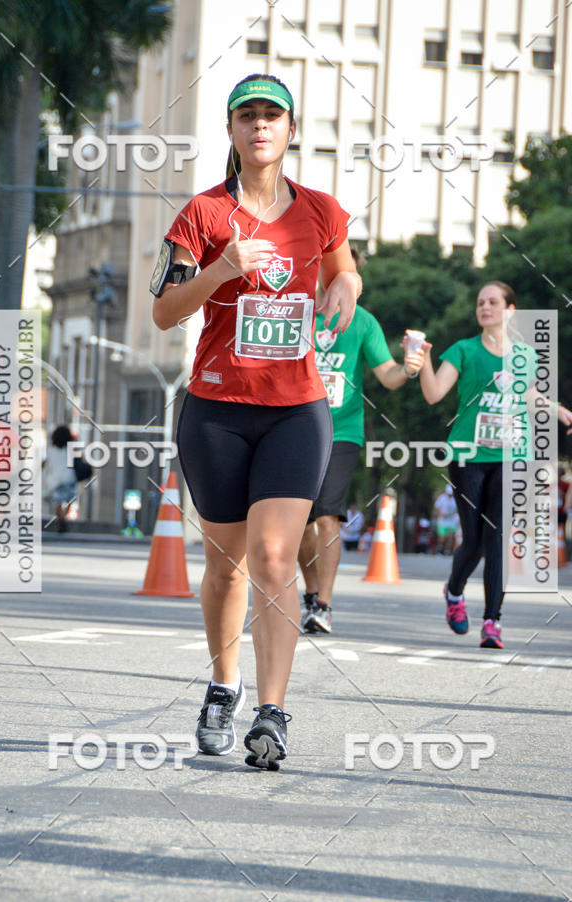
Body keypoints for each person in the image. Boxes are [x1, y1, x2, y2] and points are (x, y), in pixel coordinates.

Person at [150, 74, 359, 770]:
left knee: (275, 556)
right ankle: (222, 684)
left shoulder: (322, 210)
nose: (261, 126)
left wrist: (345, 285)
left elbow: (344, 270)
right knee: (225, 565)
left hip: (297, 407)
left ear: (290, 129)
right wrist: (221, 270)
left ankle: (272, 714)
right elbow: (164, 310)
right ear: (233, 131)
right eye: (248, 116)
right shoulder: (203, 214)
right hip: (215, 409)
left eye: (273, 115)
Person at [419, 281, 572, 648]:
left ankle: (492, 622)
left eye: (493, 302)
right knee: (474, 541)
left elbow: (530, 394)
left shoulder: (526, 356)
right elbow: (434, 393)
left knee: (498, 538)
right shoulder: (462, 350)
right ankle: (455, 592)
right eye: (480, 302)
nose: (485, 307)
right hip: (467, 455)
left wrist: (559, 410)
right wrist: (424, 360)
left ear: (510, 310)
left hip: (512, 454)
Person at [297, 280, 425, 633]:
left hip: (342, 432)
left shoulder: (364, 322)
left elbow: (388, 375)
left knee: (327, 517)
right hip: (293, 428)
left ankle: (323, 605)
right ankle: (310, 593)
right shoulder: (298, 311)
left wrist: (410, 368)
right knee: (299, 523)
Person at [43, 425, 77, 533]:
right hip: (68, 478)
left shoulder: (51, 451)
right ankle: (65, 517)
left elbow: (46, 464)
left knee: (57, 502)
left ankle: (60, 519)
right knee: (70, 499)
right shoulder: (70, 450)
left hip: (55, 480)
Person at [433, 484, 459, 555]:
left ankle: (447, 551)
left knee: (450, 536)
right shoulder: (442, 498)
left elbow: (457, 509)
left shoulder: (454, 499)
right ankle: (439, 550)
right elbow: (436, 507)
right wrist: (440, 514)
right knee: (442, 537)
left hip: (451, 520)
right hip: (443, 520)